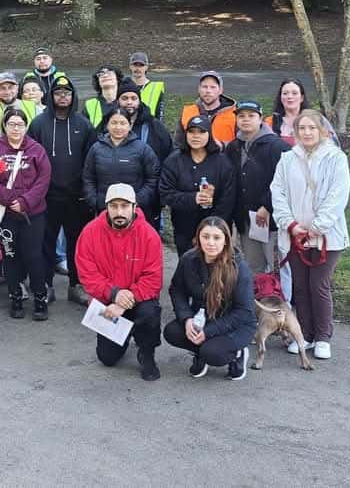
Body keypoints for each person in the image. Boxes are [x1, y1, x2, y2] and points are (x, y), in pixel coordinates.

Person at [270, 109, 350, 361]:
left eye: (311, 128)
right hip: (295, 234)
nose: (306, 133)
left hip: (327, 235)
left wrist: (317, 226)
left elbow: (337, 196)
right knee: (300, 286)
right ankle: (304, 334)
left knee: (319, 284)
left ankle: (323, 336)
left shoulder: (336, 158)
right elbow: (278, 192)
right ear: (295, 132)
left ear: (322, 131)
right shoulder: (287, 159)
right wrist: (291, 225)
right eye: (301, 128)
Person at [75, 183, 163, 382]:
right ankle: (125, 334)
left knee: (149, 312)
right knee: (107, 358)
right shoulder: (90, 232)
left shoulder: (149, 235)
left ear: (134, 206)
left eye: (125, 206)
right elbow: (87, 274)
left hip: (139, 299)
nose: (119, 212)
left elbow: (153, 279)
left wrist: (126, 300)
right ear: (106, 207)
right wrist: (114, 295)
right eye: (113, 206)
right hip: (107, 300)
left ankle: (146, 353)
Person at [28, 75, 97, 306]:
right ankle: (46, 285)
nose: (62, 97)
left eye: (67, 93)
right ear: (51, 95)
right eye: (58, 93)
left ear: (73, 95)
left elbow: (91, 160)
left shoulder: (84, 124)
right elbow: (30, 159)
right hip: (46, 196)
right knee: (45, 241)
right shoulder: (38, 124)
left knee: (77, 242)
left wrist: (88, 191)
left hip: (77, 196)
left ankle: (76, 285)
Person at [0, 108, 52, 319]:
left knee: (33, 256)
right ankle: (15, 297)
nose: (15, 129)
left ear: (26, 126)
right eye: (11, 124)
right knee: (10, 256)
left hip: (33, 214)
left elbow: (44, 179)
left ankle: (40, 297)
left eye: (20, 124)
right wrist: (9, 200)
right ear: (4, 125)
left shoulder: (36, 150)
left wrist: (25, 201)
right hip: (6, 214)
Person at [164, 217, 256, 380]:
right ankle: (200, 352)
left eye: (216, 237)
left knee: (213, 353)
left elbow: (244, 312)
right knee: (171, 332)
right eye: (205, 237)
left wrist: (208, 332)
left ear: (226, 240)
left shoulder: (239, 267)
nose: (210, 243)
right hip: (203, 317)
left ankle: (238, 354)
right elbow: (177, 290)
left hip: (235, 324)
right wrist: (186, 319)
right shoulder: (188, 259)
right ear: (198, 237)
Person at [224, 99, 291, 299]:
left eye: (251, 116)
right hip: (245, 219)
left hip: (269, 220)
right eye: (241, 116)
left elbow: (286, 181)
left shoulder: (276, 146)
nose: (246, 120)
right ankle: (262, 309)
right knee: (254, 267)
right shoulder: (233, 147)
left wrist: (267, 205)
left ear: (260, 119)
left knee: (278, 267)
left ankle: (283, 310)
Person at [159, 115, 236, 256]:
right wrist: (193, 198)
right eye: (191, 132)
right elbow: (166, 194)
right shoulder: (173, 161)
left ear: (209, 134)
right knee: (188, 269)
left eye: (201, 132)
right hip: (184, 229)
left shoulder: (223, 163)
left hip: (216, 231)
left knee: (215, 271)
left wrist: (208, 231)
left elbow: (228, 199)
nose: (196, 136)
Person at [83, 107, 161, 232]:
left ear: (130, 125)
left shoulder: (142, 149)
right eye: (114, 123)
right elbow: (88, 177)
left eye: (123, 123)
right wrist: (95, 200)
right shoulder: (96, 149)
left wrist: (137, 200)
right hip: (104, 209)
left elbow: (153, 178)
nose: (118, 127)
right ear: (107, 125)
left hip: (134, 210)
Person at [265, 78, 339, 147]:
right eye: (285, 93)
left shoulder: (317, 119)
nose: (289, 96)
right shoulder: (270, 122)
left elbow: (333, 147)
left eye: (294, 93)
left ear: (301, 98)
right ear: (280, 97)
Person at [118, 79, 173, 168]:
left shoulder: (155, 127)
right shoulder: (109, 124)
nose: (129, 102)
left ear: (139, 101)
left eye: (133, 98)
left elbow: (169, 157)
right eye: (124, 98)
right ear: (118, 101)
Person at [175, 71, 236, 147]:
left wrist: (222, 145)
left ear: (220, 90)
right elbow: (178, 144)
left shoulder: (235, 114)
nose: (208, 91)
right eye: (204, 87)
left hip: (224, 157)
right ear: (199, 89)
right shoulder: (187, 112)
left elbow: (243, 144)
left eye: (213, 87)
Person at [0, 72, 37, 147]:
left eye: (11, 87)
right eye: (2, 88)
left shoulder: (34, 108)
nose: (7, 92)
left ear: (17, 88)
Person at [127, 52, 165, 121]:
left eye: (141, 65)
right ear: (130, 66)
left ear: (146, 67)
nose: (138, 68)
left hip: (148, 128)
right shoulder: (123, 85)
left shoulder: (156, 88)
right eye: (135, 65)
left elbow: (159, 116)